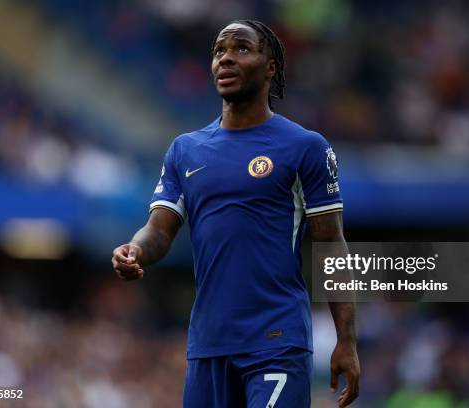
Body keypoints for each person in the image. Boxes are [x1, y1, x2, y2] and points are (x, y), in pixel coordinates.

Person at [112, 19, 360, 407]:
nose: (226, 58)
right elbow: (159, 230)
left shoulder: (305, 147)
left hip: (277, 339)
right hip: (209, 345)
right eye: (218, 51)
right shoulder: (185, 150)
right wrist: (135, 249)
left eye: (241, 49)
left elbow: (331, 244)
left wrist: (346, 339)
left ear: (271, 66)